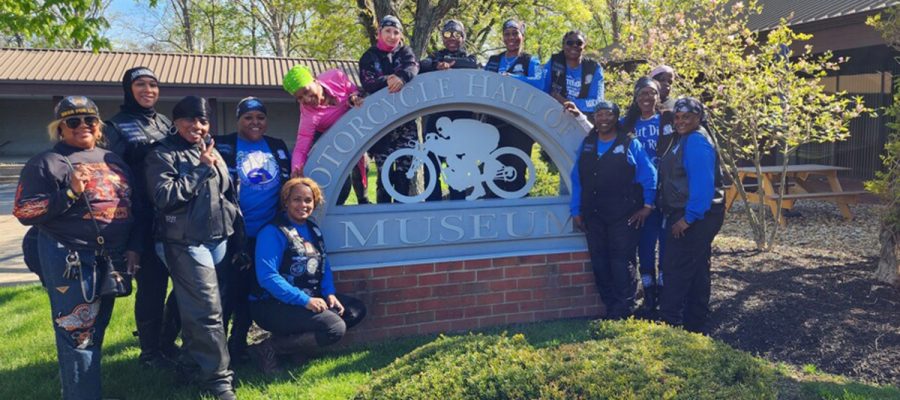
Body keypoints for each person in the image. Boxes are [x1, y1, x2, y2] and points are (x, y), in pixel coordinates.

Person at [14, 96, 141, 399]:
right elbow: (24, 210)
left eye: (89, 120)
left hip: (112, 258)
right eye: (73, 121)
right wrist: (70, 192)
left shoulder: (114, 159)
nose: (82, 126)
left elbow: (135, 205)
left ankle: (76, 387)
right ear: (60, 129)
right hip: (69, 256)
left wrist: (134, 248)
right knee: (79, 334)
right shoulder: (46, 162)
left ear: (99, 127)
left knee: (95, 330)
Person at [145, 96, 239, 400]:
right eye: (189, 120)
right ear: (175, 122)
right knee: (208, 311)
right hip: (183, 241)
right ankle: (219, 382)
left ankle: (188, 364)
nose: (197, 126)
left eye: (203, 120)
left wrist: (239, 236)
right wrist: (200, 170)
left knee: (200, 305)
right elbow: (164, 197)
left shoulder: (210, 150)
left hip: (217, 239)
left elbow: (228, 195)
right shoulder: (161, 154)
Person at [102, 66, 180, 367]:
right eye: (140, 85)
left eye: (153, 84)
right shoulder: (115, 127)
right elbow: (113, 181)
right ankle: (150, 352)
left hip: (174, 214)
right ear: (128, 89)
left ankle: (167, 339)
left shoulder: (165, 123)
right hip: (142, 220)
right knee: (152, 287)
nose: (148, 90)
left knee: (186, 284)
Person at [248, 177, 367, 373]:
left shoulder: (313, 229)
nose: (303, 205)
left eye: (308, 200)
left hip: (308, 297)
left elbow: (323, 264)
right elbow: (267, 277)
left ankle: (295, 348)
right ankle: (268, 349)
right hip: (271, 304)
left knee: (354, 310)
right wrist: (305, 300)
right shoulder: (272, 232)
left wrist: (329, 293)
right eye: (296, 199)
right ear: (286, 201)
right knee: (335, 328)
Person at [215, 97, 291, 363]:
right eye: (248, 117)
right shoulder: (222, 145)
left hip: (267, 234)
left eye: (260, 117)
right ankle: (218, 350)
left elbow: (289, 183)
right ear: (238, 120)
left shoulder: (277, 147)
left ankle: (239, 345)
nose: (255, 122)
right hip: (232, 233)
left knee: (252, 291)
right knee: (227, 292)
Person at [570, 100, 656, 320]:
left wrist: (647, 206)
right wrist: (576, 210)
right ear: (595, 118)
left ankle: (626, 307)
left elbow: (649, 175)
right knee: (599, 261)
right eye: (600, 115)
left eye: (609, 115)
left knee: (621, 261)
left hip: (623, 215)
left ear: (616, 117)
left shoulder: (629, 142)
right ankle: (611, 306)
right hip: (593, 215)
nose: (604, 119)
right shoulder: (588, 143)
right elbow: (576, 179)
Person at [656, 97, 725, 334]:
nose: (681, 121)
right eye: (677, 117)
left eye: (687, 117)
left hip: (695, 216)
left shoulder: (697, 142)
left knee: (677, 268)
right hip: (688, 213)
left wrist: (688, 219)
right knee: (696, 268)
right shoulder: (684, 138)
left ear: (699, 117)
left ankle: (671, 324)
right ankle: (694, 323)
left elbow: (703, 186)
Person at [282, 65, 369, 205]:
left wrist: (355, 97)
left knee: (363, 165)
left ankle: (363, 200)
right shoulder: (308, 114)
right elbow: (301, 147)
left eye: (306, 91)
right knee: (342, 180)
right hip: (328, 138)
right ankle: (335, 208)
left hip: (352, 131)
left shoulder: (336, 76)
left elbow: (354, 91)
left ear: (314, 80)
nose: (306, 99)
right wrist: (296, 170)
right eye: (299, 98)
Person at [358, 15, 419, 203]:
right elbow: (368, 83)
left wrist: (402, 78)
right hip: (381, 125)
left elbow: (413, 67)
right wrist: (388, 80)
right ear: (379, 33)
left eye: (396, 32)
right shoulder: (369, 56)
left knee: (404, 177)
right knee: (384, 177)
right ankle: (382, 216)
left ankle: (402, 217)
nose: (392, 36)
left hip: (405, 125)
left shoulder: (405, 52)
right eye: (388, 31)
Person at [420, 19, 481, 201]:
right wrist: (436, 66)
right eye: (447, 34)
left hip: (461, 123)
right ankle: (432, 206)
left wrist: (452, 65)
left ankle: (459, 205)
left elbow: (472, 67)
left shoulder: (471, 58)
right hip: (436, 120)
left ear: (463, 38)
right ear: (442, 37)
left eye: (456, 34)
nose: (452, 38)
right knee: (431, 166)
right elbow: (420, 65)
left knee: (459, 168)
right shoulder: (435, 57)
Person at [620, 77, 666, 314]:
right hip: (639, 194)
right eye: (642, 94)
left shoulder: (667, 122)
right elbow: (600, 129)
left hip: (667, 192)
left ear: (658, 97)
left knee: (666, 245)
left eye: (651, 93)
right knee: (646, 245)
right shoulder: (626, 124)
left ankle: (664, 290)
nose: (647, 98)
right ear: (636, 98)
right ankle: (648, 294)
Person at [482, 19, 542, 197]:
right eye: (507, 34)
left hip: (520, 128)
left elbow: (539, 83)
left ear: (522, 36)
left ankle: (519, 219)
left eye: (515, 33)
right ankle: (492, 217)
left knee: (516, 173)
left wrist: (513, 79)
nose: (511, 38)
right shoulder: (493, 60)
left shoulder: (530, 60)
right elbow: (482, 85)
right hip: (493, 126)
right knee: (492, 174)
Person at [545, 30, 604, 115]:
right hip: (552, 113)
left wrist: (567, 102)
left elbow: (597, 102)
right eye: (570, 43)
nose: (574, 45)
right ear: (563, 45)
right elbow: (542, 88)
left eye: (579, 43)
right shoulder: (554, 62)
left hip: (581, 118)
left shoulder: (594, 68)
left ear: (584, 47)